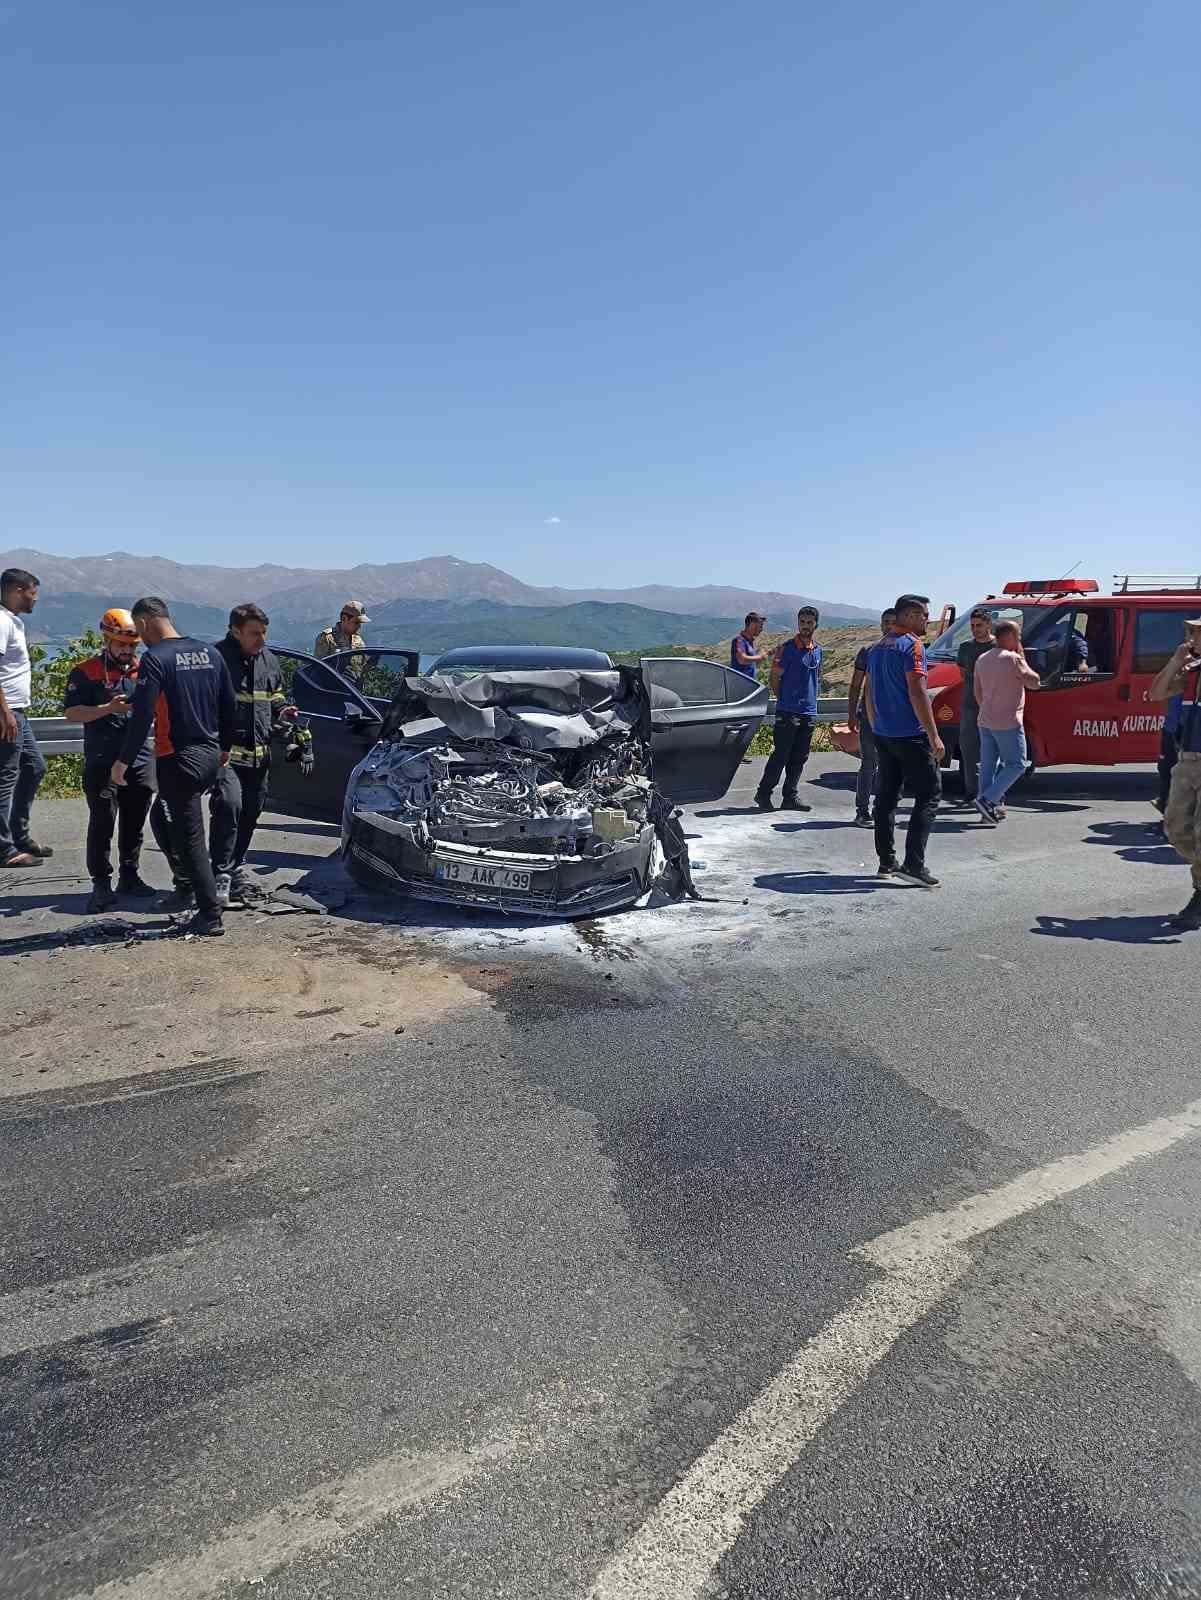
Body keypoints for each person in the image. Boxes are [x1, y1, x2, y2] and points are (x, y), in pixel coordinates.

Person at [111, 597, 236, 938]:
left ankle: (209, 914)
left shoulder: (156, 659)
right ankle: (191, 892)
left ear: (147, 622)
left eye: (139, 630)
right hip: (210, 753)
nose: (141, 638)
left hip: (176, 758)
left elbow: (143, 718)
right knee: (167, 822)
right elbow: (228, 704)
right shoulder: (210, 653)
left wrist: (123, 761)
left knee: (189, 838)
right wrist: (224, 748)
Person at [63, 608, 174, 911]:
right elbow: (72, 713)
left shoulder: (145, 670)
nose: (127, 651)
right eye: (121, 645)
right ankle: (101, 884)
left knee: (134, 823)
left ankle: (130, 876)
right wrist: (107, 708)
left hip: (140, 759)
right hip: (101, 760)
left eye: (132, 646)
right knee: (102, 822)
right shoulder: (86, 671)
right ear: (107, 641)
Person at [210, 603, 313, 908]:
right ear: (235, 631)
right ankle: (218, 877)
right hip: (226, 758)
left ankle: (231, 869)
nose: (261, 640)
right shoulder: (216, 660)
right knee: (228, 810)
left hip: (260, 758)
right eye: (254, 634)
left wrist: (285, 712)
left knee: (250, 814)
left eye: (264, 633)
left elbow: (277, 698)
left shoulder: (269, 661)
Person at [864, 594, 945, 888]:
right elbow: (918, 691)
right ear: (909, 616)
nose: (927, 619)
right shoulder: (912, 645)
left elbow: (869, 692)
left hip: (884, 734)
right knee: (929, 795)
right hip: (911, 734)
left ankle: (887, 862)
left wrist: (875, 725)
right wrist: (934, 734)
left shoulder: (877, 648)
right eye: (924, 614)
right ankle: (914, 864)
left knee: (886, 798)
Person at [1150, 620, 1201, 930]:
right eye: (1191, 632)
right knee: (1176, 829)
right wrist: (1175, 662)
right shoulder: (1191, 671)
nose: (1191, 637)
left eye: (1196, 632)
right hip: (1187, 760)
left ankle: (1199, 898)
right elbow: (1155, 692)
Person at [0, 567, 50, 869]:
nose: (35, 599)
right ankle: (4, 849)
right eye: (33, 592)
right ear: (18, 589)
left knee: (34, 767)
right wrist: (4, 713)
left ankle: (19, 835)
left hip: (19, 711)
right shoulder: (1, 622)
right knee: (5, 778)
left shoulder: (11, 621)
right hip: (7, 712)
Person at [972, 620, 1041, 824]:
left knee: (988, 766)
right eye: (1018, 636)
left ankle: (987, 811)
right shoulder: (1013, 659)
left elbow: (977, 692)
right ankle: (987, 800)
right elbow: (1034, 682)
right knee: (1017, 764)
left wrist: (989, 707)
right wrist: (1023, 659)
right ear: (1009, 636)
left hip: (985, 719)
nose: (1020, 639)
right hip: (1008, 721)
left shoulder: (982, 659)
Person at [755, 607, 822, 813]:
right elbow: (774, 677)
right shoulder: (786, 648)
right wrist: (783, 698)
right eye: (802, 622)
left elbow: (815, 676)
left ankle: (790, 796)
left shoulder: (818, 650)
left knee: (800, 757)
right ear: (798, 623)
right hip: (788, 711)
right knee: (781, 755)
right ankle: (764, 793)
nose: (805, 626)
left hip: (808, 711)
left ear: (816, 624)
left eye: (809, 622)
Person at [847, 608, 896, 827]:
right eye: (885, 622)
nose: (888, 626)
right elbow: (856, 684)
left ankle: (882, 810)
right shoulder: (868, 651)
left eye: (893, 622)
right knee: (869, 764)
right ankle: (862, 811)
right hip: (869, 717)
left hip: (895, 719)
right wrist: (851, 714)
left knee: (892, 766)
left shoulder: (903, 651)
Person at [955, 608, 995, 805]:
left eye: (979, 625)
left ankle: (994, 795)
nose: (975, 629)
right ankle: (972, 793)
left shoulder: (1000, 646)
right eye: (972, 626)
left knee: (994, 752)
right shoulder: (965, 648)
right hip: (970, 706)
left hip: (996, 707)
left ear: (988, 624)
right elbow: (963, 674)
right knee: (969, 750)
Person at [314, 601, 370, 676]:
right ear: (344, 618)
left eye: (360, 623)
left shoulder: (358, 640)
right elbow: (318, 668)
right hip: (332, 686)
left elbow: (363, 666)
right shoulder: (327, 638)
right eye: (356, 622)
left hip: (352, 686)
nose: (359, 626)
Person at [1155, 693, 1183, 819]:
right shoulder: (1181, 676)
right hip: (1171, 727)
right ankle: (1164, 803)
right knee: (1166, 769)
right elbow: (1157, 694)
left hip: (1186, 730)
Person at [730, 613, 769, 679]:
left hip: (749, 685)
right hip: (740, 685)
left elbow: (749, 663)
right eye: (761, 626)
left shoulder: (749, 642)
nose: (762, 629)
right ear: (752, 625)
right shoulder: (739, 640)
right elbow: (741, 659)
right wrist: (759, 657)